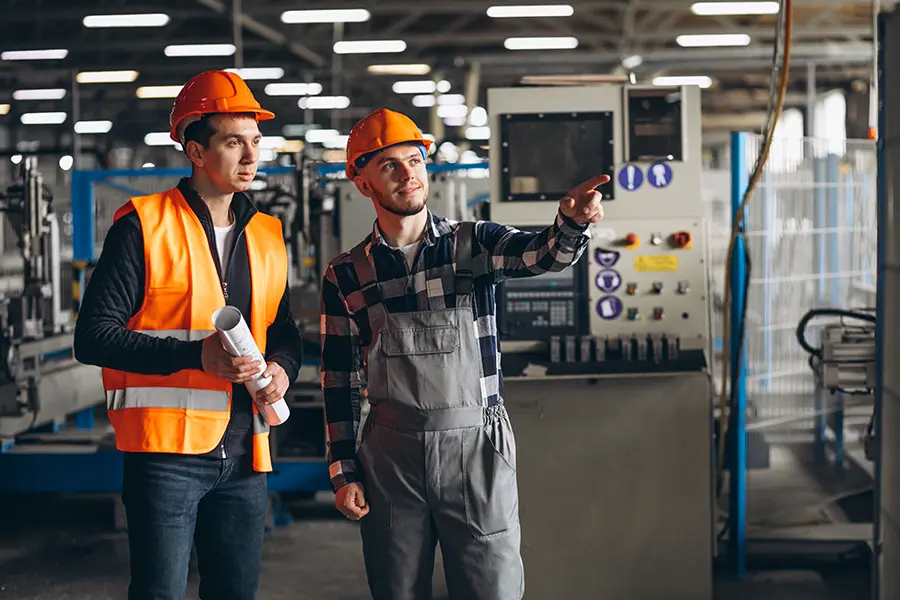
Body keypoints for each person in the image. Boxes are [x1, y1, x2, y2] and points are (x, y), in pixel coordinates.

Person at [320, 108, 607, 600]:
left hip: (476, 449)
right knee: (396, 588)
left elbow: (542, 255)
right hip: (391, 458)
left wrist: (571, 224)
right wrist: (344, 472)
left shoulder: (473, 246)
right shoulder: (346, 274)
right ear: (362, 182)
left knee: (490, 587)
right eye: (389, 165)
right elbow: (338, 380)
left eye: (414, 160)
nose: (408, 173)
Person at [74, 70, 304, 600]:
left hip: (247, 454)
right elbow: (94, 337)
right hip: (165, 457)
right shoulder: (143, 225)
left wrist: (283, 369)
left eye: (255, 141)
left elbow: (284, 331)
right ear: (196, 151)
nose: (251, 156)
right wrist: (196, 357)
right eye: (233, 143)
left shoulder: (268, 233)